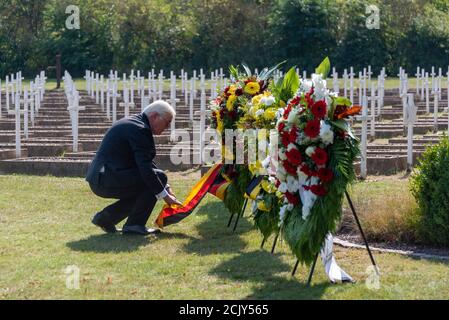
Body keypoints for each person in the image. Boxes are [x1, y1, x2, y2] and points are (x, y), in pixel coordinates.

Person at [86, 100, 182, 235]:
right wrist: (164, 195)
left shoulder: (135, 124)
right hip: (106, 178)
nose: (166, 128)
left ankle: (106, 218)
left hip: (102, 177)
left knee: (151, 182)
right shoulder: (140, 129)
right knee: (155, 178)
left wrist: (165, 187)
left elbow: (145, 162)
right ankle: (135, 224)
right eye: (167, 123)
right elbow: (146, 168)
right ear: (154, 116)